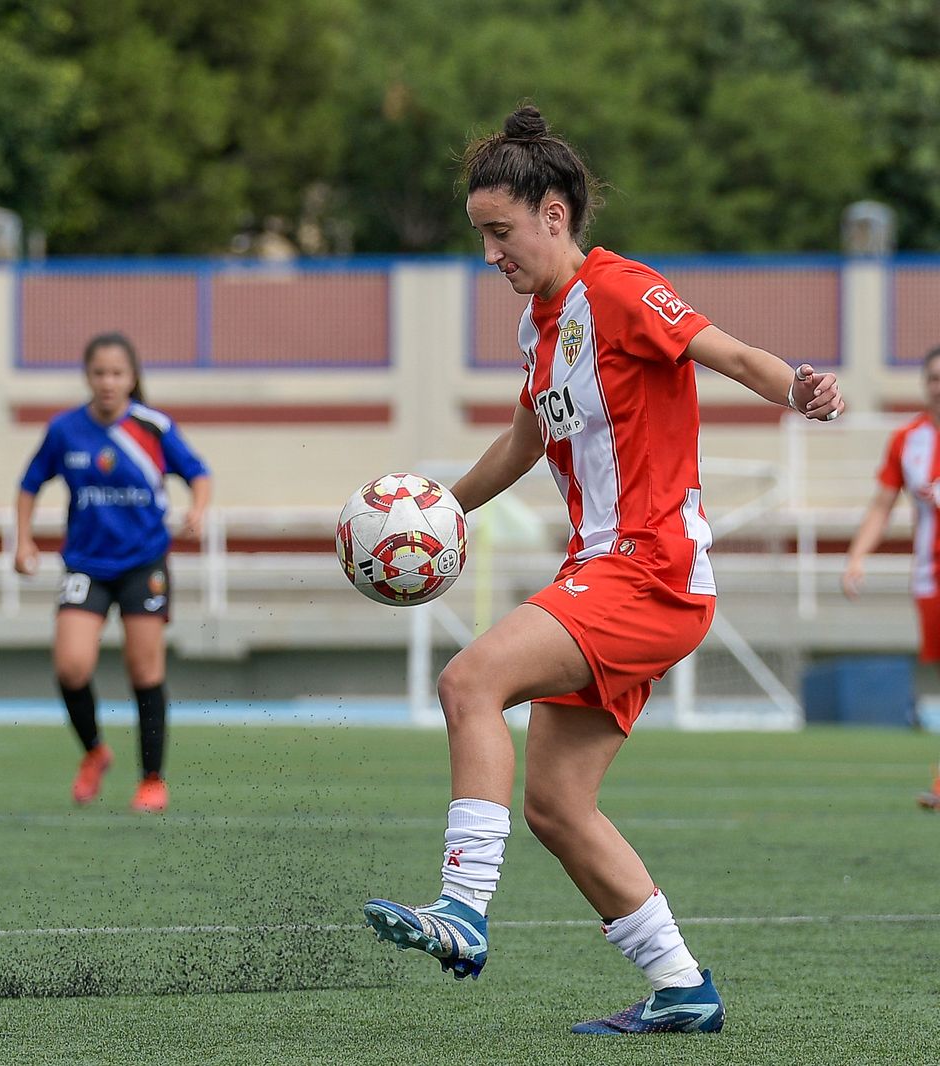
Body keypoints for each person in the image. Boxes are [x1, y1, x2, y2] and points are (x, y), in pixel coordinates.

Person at [360, 105, 844, 1035]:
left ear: (554, 215)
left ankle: (460, 909)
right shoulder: (540, 329)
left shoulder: (621, 291)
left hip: (648, 570)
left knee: (470, 681)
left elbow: (731, 353)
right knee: (555, 806)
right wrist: (435, 515)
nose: (490, 254)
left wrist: (802, 389)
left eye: (500, 232)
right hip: (610, 574)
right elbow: (523, 444)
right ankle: (683, 988)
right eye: (480, 237)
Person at [14, 332, 211, 813]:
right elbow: (29, 484)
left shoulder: (153, 426)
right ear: (88, 376)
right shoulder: (65, 430)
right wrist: (24, 539)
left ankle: (151, 779)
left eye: (117, 373)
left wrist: (199, 509)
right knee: (71, 665)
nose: (108, 382)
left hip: (144, 561)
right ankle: (96, 752)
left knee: (144, 669)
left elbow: (198, 473)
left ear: (132, 378)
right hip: (85, 563)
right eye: (99, 373)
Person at [842, 343, 940, 810]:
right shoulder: (907, 440)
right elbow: (882, 505)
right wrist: (857, 556)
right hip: (930, 578)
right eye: (934, 377)